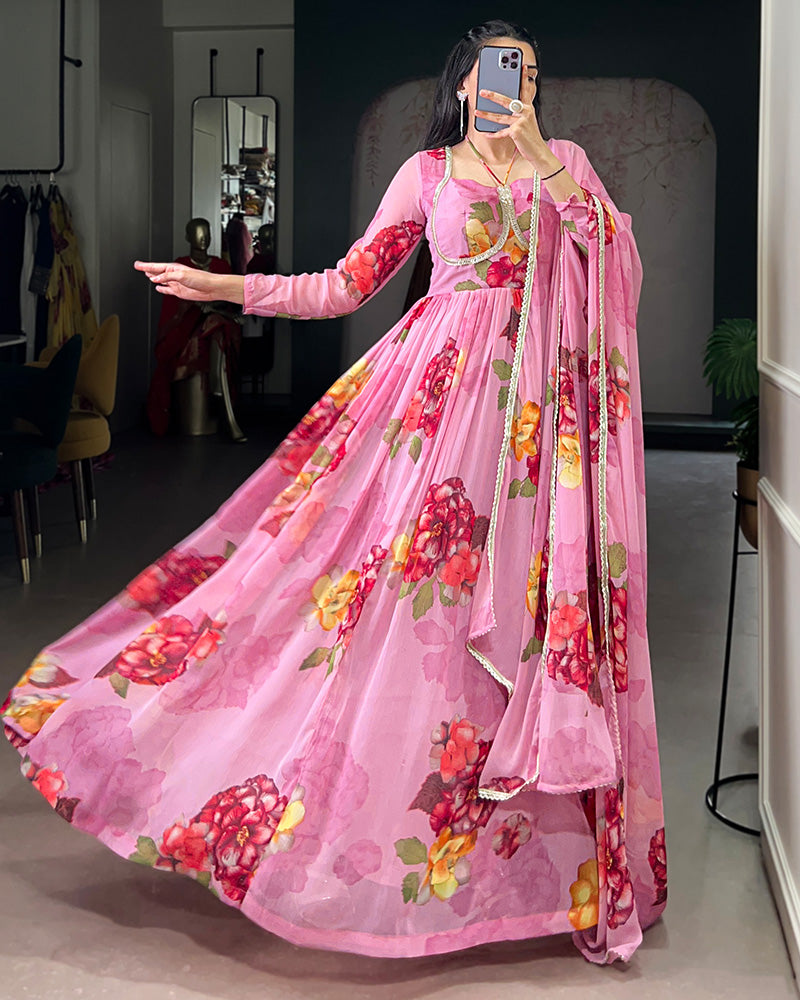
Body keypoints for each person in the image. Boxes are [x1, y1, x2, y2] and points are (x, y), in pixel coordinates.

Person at [3, 20, 667, 965]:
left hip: (540, 433)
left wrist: (543, 163)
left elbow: (614, 258)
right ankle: (368, 841)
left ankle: (528, 871)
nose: (513, 82)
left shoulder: (565, 163)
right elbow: (346, 286)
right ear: (463, 80)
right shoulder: (428, 175)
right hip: (439, 414)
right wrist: (224, 289)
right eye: (498, 67)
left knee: (529, 618)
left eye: (528, 71)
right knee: (408, 615)